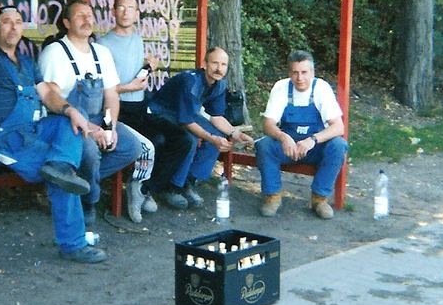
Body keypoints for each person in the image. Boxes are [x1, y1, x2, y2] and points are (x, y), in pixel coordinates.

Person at [0, 0, 107, 263]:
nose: (13, 28)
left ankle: (61, 165)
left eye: (18, 23)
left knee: (68, 125)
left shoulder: (27, 63)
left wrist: (70, 110)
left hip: (29, 131)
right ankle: (73, 244)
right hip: (0, 139)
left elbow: (47, 95)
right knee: (60, 179)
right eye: (6, 22)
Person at [38, 0, 141, 226]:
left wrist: (109, 127)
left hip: (97, 119)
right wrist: (90, 129)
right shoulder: (55, 53)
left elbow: (112, 94)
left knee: (131, 147)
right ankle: (88, 202)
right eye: (79, 16)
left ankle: (73, 186)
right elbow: (50, 99)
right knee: (90, 151)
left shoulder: (101, 53)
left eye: (89, 15)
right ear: (66, 22)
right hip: (65, 123)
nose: (87, 20)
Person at [97, 0, 193, 222]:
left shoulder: (139, 39)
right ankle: (137, 189)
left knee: (183, 140)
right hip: (117, 112)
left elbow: (133, 74)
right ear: (113, 11)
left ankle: (145, 188)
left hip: (141, 107)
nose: (125, 12)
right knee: (155, 142)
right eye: (121, 7)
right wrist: (128, 87)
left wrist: (147, 66)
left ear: (137, 13)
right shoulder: (102, 44)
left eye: (131, 8)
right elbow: (102, 88)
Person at [147, 47, 254, 207]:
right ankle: (172, 187)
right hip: (161, 113)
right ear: (204, 64)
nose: (219, 68)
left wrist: (235, 133)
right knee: (190, 137)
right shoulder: (190, 81)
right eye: (215, 63)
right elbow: (186, 122)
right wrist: (211, 137)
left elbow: (216, 117)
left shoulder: (219, 84)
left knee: (218, 135)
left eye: (223, 64)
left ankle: (188, 181)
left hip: (185, 114)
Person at [254, 50, 348, 219]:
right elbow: (267, 125)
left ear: (312, 72)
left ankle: (319, 199)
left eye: (304, 72)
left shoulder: (321, 88)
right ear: (289, 73)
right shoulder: (281, 87)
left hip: (314, 148)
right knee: (264, 145)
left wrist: (312, 140)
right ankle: (272, 196)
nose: (300, 78)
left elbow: (338, 127)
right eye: (295, 73)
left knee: (338, 145)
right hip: (288, 147)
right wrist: (283, 137)